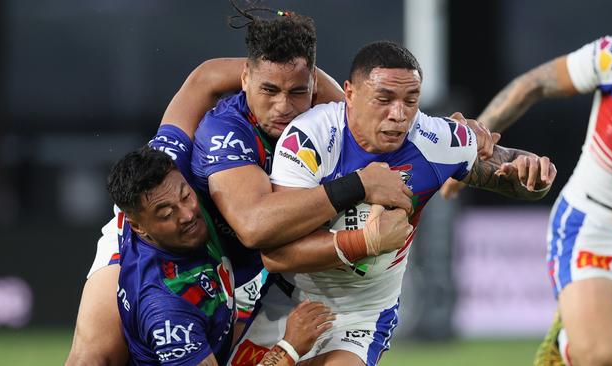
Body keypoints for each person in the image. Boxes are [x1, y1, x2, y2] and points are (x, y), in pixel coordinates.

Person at [66, 8, 417, 366]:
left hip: (226, 265)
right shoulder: (224, 133)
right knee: (93, 357)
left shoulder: (320, 120)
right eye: (268, 88)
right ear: (246, 78)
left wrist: (452, 139)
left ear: (312, 83)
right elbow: (254, 227)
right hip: (152, 246)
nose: (283, 106)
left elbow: (358, 111)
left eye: (298, 90)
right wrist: (360, 194)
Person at [230, 40, 558, 366]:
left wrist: (532, 176)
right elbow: (277, 254)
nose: (399, 115)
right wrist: (365, 242)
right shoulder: (309, 138)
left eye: (410, 100)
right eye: (384, 99)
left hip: (363, 314)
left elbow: (508, 169)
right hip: (288, 303)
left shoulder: (435, 140)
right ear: (351, 94)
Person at [446, 35, 612, 366]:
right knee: (599, 355)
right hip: (593, 224)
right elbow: (531, 85)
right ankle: (568, 342)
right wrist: (468, 150)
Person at [106, 144, 337, 366]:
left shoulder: (170, 184)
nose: (187, 215)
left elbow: (185, 110)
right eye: (167, 213)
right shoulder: (167, 310)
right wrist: (289, 348)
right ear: (138, 227)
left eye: (186, 196)